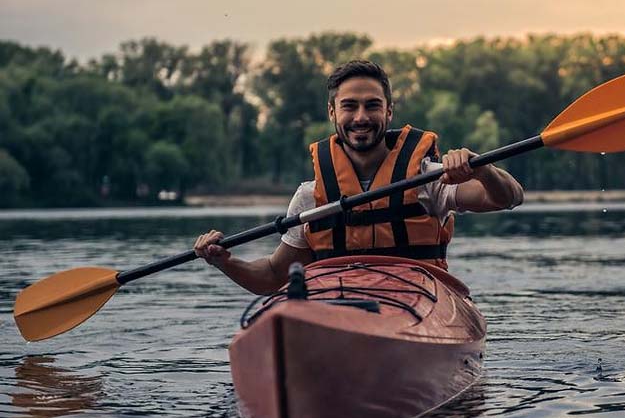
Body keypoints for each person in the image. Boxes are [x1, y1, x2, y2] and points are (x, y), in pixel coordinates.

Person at [194, 60, 524, 294]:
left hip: (419, 307)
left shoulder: (429, 180)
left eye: (372, 106)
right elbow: (272, 277)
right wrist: (225, 261)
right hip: (340, 309)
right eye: (350, 106)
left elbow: (508, 197)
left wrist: (483, 170)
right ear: (332, 112)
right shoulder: (311, 197)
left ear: (389, 111)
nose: (361, 117)